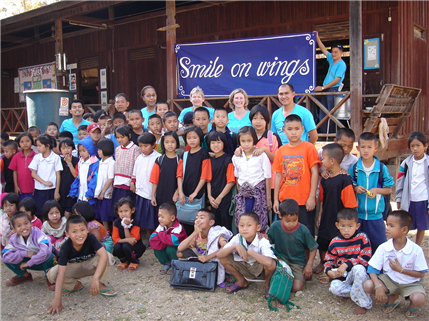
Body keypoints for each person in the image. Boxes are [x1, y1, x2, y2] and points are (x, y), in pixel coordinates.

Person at [47, 215, 116, 315]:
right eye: (74, 231)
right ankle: (75, 285)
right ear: (67, 234)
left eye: (82, 230)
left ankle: (100, 284)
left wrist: (95, 278)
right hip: (73, 268)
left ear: (87, 230)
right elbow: (61, 273)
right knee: (53, 273)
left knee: (108, 256)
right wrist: (57, 299)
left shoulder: (91, 238)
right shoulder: (65, 247)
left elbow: (103, 255)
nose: (79, 234)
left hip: (90, 265)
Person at [364, 210, 428, 318]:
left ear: (404, 230)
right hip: (390, 281)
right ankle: (393, 296)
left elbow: (421, 274)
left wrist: (402, 270)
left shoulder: (416, 250)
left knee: (419, 299)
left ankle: (412, 305)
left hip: (410, 283)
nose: (387, 228)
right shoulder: (384, 247)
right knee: (368, 285)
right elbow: (372, 268)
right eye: (387, 225)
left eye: (391, 226)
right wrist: (378, 285)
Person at [314, 143, 357, 278]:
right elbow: (322, 199)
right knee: (322, 240)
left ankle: (335, 267)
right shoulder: (325, 180)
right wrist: (320, 215)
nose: (322, 162)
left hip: (340, 218)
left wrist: (346, 222)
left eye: (323, 159)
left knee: (338, 242)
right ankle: (323, 262)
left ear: (332, 161)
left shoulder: (345, 180)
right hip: (326, 215)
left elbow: (349, 204)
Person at [273, 115, 320, 236]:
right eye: (289, 129)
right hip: (285, 200)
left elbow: (315, 172)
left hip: (304, 200)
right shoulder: (281, 150)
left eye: (297, 128)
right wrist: (276, 200)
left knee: (306, 233)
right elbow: (278, 176)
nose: (293, 132)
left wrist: (311, 197)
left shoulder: (309, 148)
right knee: (285, 233)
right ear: (284, 130)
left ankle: (306, 256)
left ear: (303, 129)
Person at [348, 132, 394, 252]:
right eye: (363, 147)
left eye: (369, 147)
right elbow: (349, 184)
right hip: (359, 215)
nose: (366, 150)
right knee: (359, 246)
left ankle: (377, 268)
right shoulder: (354, 168)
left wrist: (377, 190)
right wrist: (356, 188)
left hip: (376, 216)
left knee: (379, 246)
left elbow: (389, 189)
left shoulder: (381, 168)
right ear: (358, 148)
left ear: (376, 148)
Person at [324, 208, 372, 314]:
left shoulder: (362, 238)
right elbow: (329, 261)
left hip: (360, 274)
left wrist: (347, 264)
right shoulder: (335, 242)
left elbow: (366, 259)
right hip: (345, 277)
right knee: (334, 288)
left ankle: (364, 303)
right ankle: (357, 291)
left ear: (357, 226)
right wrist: (329, 272)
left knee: (358, 268)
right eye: (343, 226)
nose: (346, 230)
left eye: (350, 226)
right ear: (337, 225)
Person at [217, 212, 276, 297]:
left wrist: (251, 252)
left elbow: (270, 263)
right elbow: (219, 255)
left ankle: (267, 284)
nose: (245, 228)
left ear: (258, 227)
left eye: (249, 225)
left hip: (260, 271)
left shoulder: (262, 241)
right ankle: (241, 281)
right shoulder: (237, 238)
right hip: (244, 267)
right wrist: (234, 246)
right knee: (224, 256)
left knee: (272, 264)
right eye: (241, 225)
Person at [268, 199, 318, 292]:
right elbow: (268, 241)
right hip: (281, 259)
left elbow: (313, 248)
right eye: (287, 221)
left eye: (294, 220)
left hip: (297, 262)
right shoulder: (275, 226)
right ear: (280, 216)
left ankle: (292, 276)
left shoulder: (303, 230)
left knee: (296, 288)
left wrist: (309, 265)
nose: (291, 224)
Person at [177, 208, 233, 285]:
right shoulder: (197, 234)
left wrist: (208, 257)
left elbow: (226, 247)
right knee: (180, 253)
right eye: (196, 218)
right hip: (202, 257)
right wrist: (194, 232)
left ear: (211, 222)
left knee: (224, 256)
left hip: (214, 257)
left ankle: (224, 273)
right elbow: (180, 248)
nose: (198, 220)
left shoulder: (216, 233)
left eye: (202, 218)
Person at [233, 126, 271, 232]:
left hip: (258, 195)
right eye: (243, 141)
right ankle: (244, 244)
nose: (246, 144)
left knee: (258, 220)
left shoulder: (261, 155)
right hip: (243, 196)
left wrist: (268, 199)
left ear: (254, 139)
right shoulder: (236, 157)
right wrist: (240, 192)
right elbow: (237, 177)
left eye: (249, 140)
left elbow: (267, 177)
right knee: (243, 219)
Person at [1, 211, 55, 287]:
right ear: (14, 229)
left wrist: (29, 263)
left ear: (31, 224)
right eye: (19, 225)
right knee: (8, 258)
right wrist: (24, 253)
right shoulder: (14, 239)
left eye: (26, 223)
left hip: (43, 261)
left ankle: (50, 277)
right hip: (29, 261)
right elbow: (4, 255)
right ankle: (24, 276)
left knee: (50, 256)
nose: (23, 227)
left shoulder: (38, 234)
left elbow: (46, 251)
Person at [396, 131, 429, 246]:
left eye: (418, 145)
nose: (415, 149)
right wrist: (399, 198)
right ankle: (403, 245)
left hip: (423, 199)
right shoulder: (406, 163)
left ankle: (418, 247)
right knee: (406, 224)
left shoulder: (428, 162)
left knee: (422, 225)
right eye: (412, 146)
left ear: (425, 146)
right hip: (409, 199)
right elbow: (399, 181)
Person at [177, 126, 212, 223]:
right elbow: (179, 175)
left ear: (200, 138)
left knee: (198, 219)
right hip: (185, 192)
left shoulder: (204, 154)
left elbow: (204, 176)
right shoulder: (184, 155)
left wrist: (195, 192)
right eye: (189, 138)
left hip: (198, 193)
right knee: (184, 219)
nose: (192, 140)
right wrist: (180, 192)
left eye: (194, 137)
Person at [315, 32, 347, 136]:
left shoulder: (341, 64)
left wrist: (323, 87)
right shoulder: (331, 59)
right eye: (333, 52)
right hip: (326, 90)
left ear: (341, 53)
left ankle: (332, 135)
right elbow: (323, 49)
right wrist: (317, 37)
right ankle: (324, 135)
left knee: (331, 113)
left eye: (336, 52)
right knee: (323, 113)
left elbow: (336, 80)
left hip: (333, 90)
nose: (333, 54)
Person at [131, 133, 160, 236]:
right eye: (141, 146)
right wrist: (132, 182)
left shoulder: (158, 157)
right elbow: (135, 172)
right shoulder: (139, 157)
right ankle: (148, 237)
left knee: (152, 217)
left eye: (146, 146)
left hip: (151, 192)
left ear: (153, 145)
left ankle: (156, 237)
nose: (143, 149)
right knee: (144, 217)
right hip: (140, 191)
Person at [29, 134, 63, 218]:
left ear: (47, 145)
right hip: (39, 189)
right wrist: (44, 182)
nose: (38, 148)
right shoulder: (37, 157)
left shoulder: (56, 158)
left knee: (51, 211)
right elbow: (33, 173)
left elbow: (58, 175)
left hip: (51, 189)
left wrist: (57, 191)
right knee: (40, 212)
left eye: (40, 146)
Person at [207, 132, 235, 230]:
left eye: (219, 142)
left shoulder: (228, 160)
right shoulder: (210, 160)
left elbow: (231, 181)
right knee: (214, 227)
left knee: (225, 227)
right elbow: (208, 180)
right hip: (212, 200)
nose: (216, 145)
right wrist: (209, 196)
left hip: (224, 200)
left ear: (224, 143)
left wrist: (220, 197)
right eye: (213, 142)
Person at [149, 201, 187, 274]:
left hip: (178, 249)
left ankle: (174, 264)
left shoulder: (178, 228)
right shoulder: (161, 226)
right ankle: (167, 263)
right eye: (159, 216)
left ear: (172, 218)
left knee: (171, 248)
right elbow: (152, 239)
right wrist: (164, 237)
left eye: (162, 217)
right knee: (156, 248)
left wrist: (160, 235)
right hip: (166, 245)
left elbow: (173, 241)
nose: (160, 219)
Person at [112, 197, 146, 271]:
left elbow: (132, 241)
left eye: (126, 211)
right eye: (121, 211)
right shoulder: (116, 223)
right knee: (117, 246)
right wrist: (126, 240)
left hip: (135, 247)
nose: (123, 214)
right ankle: (124, 261)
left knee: (126, 245)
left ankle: (134, 261)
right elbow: (115, 238)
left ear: (132, 210)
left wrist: (125, 227)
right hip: (124, 244)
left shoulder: (136, 223)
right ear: (117, 212)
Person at [111, 125, 141, 206]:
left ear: (129, 136)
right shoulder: (117, 149)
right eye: (117, 137)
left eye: (122, 137)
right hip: (118, 182)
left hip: (128, 182)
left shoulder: (135, 149)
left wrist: (133, 181)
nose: (119, 140)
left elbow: (136, 167)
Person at [150, 131, 180, 207]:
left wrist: (177, 193)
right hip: (161, 194)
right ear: (163, 143)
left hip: (174, 196)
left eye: (173, 142)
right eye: (167, 142)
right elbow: (155, 180)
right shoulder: (159, 160)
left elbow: (182, 178)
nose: (170, 144)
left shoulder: (180, 160)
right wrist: (153, 195)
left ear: (177, 142)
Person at [69, 137, 99, 205]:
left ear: (90, 149)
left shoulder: (94, 163)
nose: (81, 153)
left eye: (84, 151)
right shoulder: (80, 162)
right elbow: (78, 178)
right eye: (80, 151)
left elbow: (95, 179)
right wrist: (73, 191)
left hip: (90, 196)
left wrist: (90, 193)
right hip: (81, 194)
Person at [94, 138, 115, 231]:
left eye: (99, 150)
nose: (98, 152)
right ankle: (105, 231)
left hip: (106, 194)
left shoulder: (111, 162)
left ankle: (110, 232)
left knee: (107, 214)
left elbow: (110, 178)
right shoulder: (100, 162)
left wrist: (103, 192)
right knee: (102, 214)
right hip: (99, 191)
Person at [10, 133, 36, 200]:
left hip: (33, 189)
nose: (25, 143)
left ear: (32, 141)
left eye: (27, 141)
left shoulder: (37, 156)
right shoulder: (16, 156)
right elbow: (14, 172)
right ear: (19, 144)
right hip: (20, 189)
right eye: (22, 142)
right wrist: (16, 186)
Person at [58, 138, 78, 218]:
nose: (66, 150)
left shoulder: (76, 160)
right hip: (62, 190)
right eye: (63, 148)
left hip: (72, 191)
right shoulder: (59, 161)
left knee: (69, 213)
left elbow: (76, 175)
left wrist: (69, 163)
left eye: (68, 148)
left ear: (72, 148)